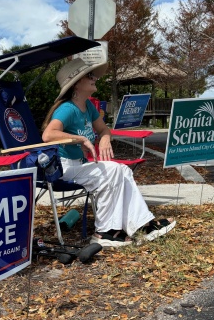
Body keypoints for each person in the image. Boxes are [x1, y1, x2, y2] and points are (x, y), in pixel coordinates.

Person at [41, 58, 175, 247]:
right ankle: (104, 232)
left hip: (78, 165)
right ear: (77, 83)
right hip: (63, 167)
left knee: (122, 170)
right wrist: (82, 139)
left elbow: (104, 130)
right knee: (113, 171)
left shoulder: (87, 106)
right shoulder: (67, 109)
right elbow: (48, 134)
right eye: (90, 75)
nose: (95, 77)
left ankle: (141, 225)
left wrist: (104, 139)